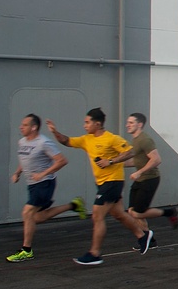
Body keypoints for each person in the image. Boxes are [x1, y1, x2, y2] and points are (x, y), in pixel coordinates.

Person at [47, 108, 153, 265]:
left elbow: (131, 151)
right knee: (118, 214)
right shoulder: (87, 139)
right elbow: (66, 141)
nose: (84, 125)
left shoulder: (112, 139)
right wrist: (55, 132)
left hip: (113, 181)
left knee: (97, 215)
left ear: (97, 124)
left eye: (87, 122)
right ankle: (143, 235)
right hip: (102, 183)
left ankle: (95, 253)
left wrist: (110, 161)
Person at [6, 114, 86, 263]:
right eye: (21, 124)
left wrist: (43, 174)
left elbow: (62, 161)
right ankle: (74, 205)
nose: (20, 127)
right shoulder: (22, 141)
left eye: (24, 125)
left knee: (27, 212)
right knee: (37, 217)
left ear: (34, 127)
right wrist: (18, 172)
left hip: (44, 184)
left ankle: (26, 250)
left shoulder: (44, 143)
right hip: (32, 185)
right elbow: (24, 159)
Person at [112, 113, 178, 238]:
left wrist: (139, 172)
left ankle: (170, 212)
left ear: (140, 124)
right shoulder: (135, 140)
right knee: (132, 212)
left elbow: (156, 159)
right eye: (128, 122)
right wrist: (115, 164)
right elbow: (137, 161)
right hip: (140, 180)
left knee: (137, 213)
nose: (127, 125)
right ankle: (148, 240)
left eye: (131, 123)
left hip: (150, 179)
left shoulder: (145, 140)